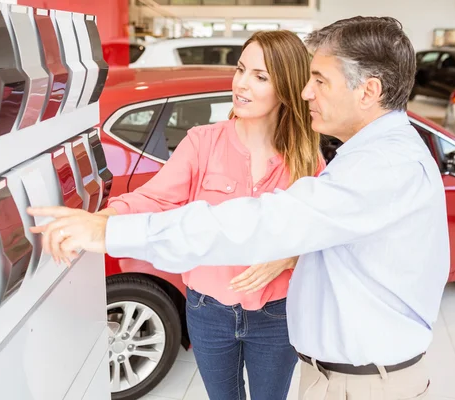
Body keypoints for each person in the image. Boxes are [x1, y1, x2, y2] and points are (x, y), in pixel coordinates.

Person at [29, 16, 450, 400]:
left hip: (338, 363)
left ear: (369, 91)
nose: (307, 91)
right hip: (230, 318)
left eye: (319, 80)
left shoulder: (371, 166)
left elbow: (269, 225)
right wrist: (107, 219)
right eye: (241, 70)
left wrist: (109, 234)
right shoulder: (211, 141)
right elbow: (164, 200)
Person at [33, 30, 324, 400]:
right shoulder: (202, 142)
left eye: (260, 76)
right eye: (240, 70)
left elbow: (323, 236)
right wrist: (102, 221)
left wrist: (288, 259)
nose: (242, 84)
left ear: (285, 88)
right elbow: (152, 199)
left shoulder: (306, 159)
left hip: (276, 314)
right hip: (208, 310)